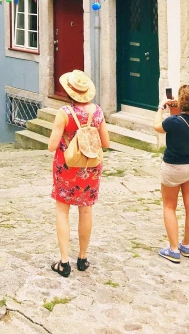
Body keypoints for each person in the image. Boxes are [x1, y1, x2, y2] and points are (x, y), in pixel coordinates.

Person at [47, 70, 111, 277]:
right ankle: (82, 258)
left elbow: (52, 145)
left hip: (67, 167)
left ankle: (64, 261)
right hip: (90, 168)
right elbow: (106, 143)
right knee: (86, 211)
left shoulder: (64, 113)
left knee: (62, 211)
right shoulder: (98, 112)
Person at [154, 84, 189, 263]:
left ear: (182, 103)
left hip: (173, 167)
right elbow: (183, 122)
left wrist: (161, 107)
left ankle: (173, 249)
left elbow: (158, 126)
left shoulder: (174, 121)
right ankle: (186, 245)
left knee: (169, 206)